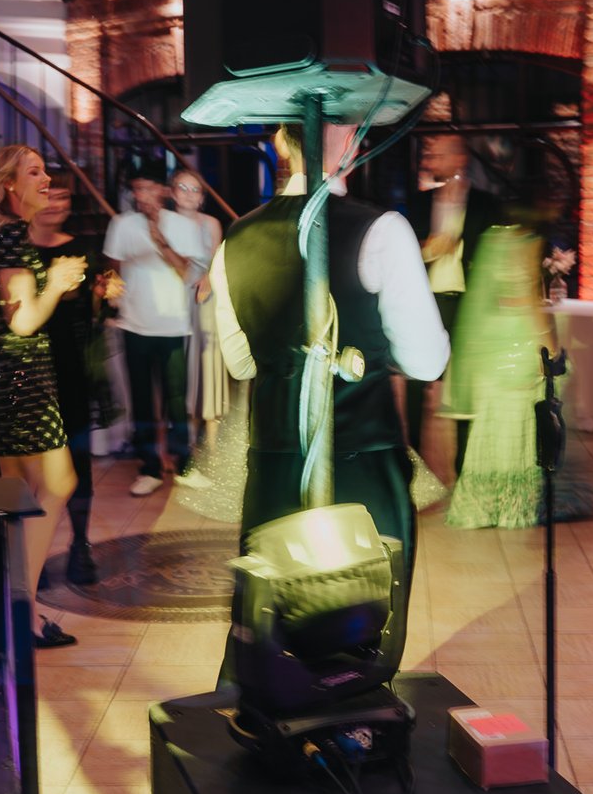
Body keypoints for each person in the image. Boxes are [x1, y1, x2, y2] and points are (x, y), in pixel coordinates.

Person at [211, 123, 449, 593]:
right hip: (364, 465)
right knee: (364, 616)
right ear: (352, 144)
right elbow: (426, 363)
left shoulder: (235, 237)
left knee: (277, 614)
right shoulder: (383, 230)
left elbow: (242, 365)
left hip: (274, 464)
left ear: (281, 144)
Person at [0, 145, 84, 645]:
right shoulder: (10, 234)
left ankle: (12, 606)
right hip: (19, 383)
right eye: (34, 172)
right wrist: (55, 284)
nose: (47, 179)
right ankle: (21, 609)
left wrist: (52, 285)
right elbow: (24, 320)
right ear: (9, 183)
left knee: (20, 495)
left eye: (45, 171)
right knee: (58, 484)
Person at [30, 168, 122, 586]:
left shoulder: (82, 249)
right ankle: (31, 550)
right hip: (30, 370)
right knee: (34, 467)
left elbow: (93, 314)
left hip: (72, 368)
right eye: (50, 195)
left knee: (77, 460)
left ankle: (79, 545)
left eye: (64, 198)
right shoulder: (16, 250)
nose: (56, 205)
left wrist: (103, 296)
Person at [443, 225, 566, 529]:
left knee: (492, 423)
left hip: (491, 337)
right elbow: (528, 299)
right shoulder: (527, 241)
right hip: (517, 338)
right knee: (517, 422)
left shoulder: (493, 237)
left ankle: (484, 504)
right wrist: (549, 344)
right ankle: (513, 506)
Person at [103, 160, 209, 497]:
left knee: (177, 400)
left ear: (164, 191)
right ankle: (149, 468)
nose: (142, 195)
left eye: (149, 188)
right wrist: (111, 293)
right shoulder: (121, 224)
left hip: (174, 325)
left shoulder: (183, 226)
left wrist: (159, 239)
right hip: (134, 324)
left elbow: (188, 274)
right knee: (142, 400)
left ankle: (184, 465)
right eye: (137, 189)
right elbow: (113, 269)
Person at [405, 135, 501, 476]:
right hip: (427, 304)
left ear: (459, 158)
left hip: (467, 306)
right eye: (429, 153)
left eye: (437, 153)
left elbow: (494, 258)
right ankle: (414, 465)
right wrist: (429, 249)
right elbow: (405, 252)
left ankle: (464, 467)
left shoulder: (486, 204)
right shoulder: (418, 203)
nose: (430, 159)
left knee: (464, 385)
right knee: (417, 382)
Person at [169, 167, 229, 453]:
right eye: (183, 188)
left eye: (195, 189)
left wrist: (208, 278)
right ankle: (188, 435)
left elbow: (217, 261)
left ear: (203, 197)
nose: (189, 194)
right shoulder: (164, 223)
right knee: (182, 365)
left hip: (204, 297)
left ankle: (212, 438)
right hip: (174, 299)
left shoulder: (211, 223)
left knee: (207, 363)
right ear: (172, 193)